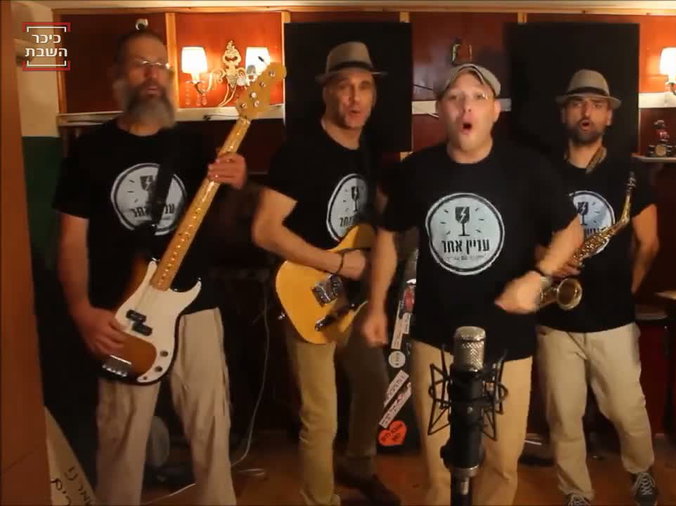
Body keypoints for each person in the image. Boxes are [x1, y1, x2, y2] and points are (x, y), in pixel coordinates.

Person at [360, 62, 584, 505]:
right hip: (436, 335)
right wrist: (376, 306)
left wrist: (537, 277)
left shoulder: (528, 167)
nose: (467, 107)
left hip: (507, 339)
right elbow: (388, 234)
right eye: (455, 98)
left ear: (495, 111)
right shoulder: (418, 170)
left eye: (479, 97)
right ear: (440, 109)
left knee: (501, 464)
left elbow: (571, 229)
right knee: (439, 466)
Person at [53, 27, 246, 505]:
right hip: (122, 315)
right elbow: (71, 241)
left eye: (161, 65)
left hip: (194, 306)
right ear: (118, 75)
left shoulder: (194, 146)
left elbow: (221, 227)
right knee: (121, 440)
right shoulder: (89, 151)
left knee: (211, 430)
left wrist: (237, 183)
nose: (153, 74)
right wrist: (81, 310)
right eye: (141, 64)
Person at [251, 41, 398, 506]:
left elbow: (372, 213)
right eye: (344, 86)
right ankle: (319, 499)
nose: (355, 97)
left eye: (364, 87)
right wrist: (337, 263)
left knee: (374, 383)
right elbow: (264, 230)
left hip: (350, 297)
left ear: (374, 95)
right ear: (327, 93)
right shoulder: (300, 152)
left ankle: (359, 466)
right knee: (321, 416)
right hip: (308, 294)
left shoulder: (369, 148)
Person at [534, 69, 661, 506]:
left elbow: (649, 243)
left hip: (612, 316)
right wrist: (545, 257)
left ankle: (641, 472)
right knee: (563, 414)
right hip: (555, 314)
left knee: (626, 409)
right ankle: (576, 492)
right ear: (564, 113)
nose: (586, 111)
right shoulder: (543, 172)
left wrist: (629, 289)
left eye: (597, 104)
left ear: (609, 116)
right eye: (577, 103)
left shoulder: (630, 173)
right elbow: (526, 237)